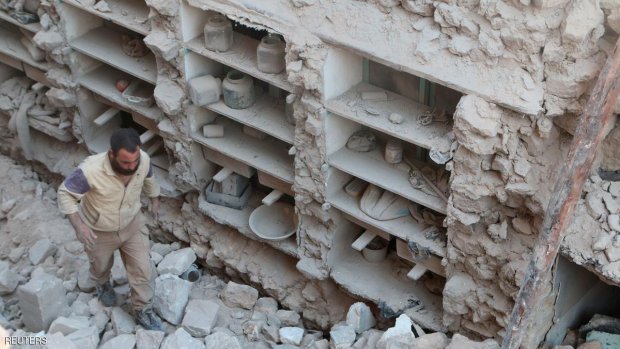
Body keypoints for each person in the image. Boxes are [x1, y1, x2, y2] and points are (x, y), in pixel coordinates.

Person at [57, 128, 164, 331]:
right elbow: (65, 194)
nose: (132, 166)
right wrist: (79, 226)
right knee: (100, 266)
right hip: (98, 230)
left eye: (135, 162)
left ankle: (143, 310)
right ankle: (102, 284)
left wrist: (154, 199)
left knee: (143, 269)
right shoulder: (90, 171)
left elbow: (149, 178)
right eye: (125, 162)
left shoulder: (143, 159)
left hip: (132, 223)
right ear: (111, 154)